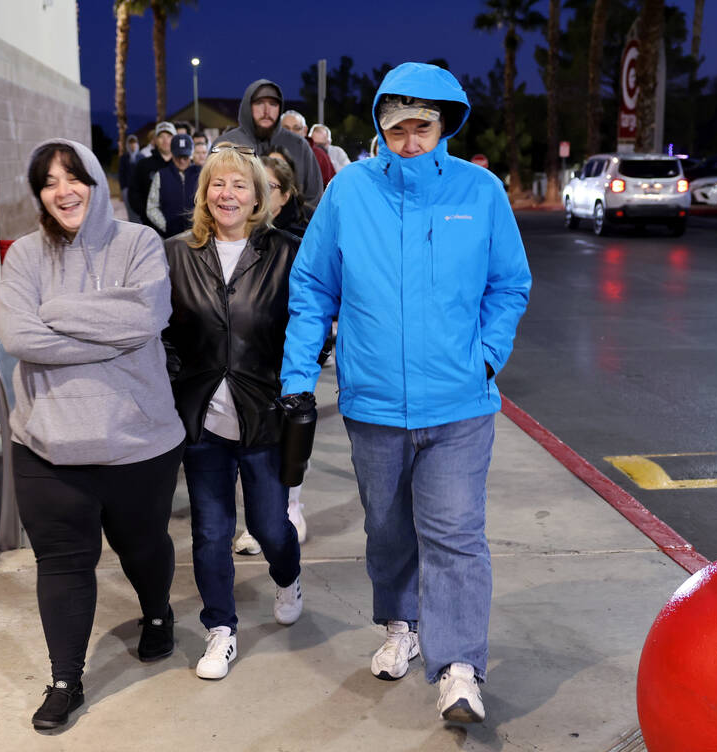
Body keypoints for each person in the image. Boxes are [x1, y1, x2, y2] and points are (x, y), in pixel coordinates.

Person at [279, 62, 531, 724]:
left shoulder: (480, 192)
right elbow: (311, 289)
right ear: (381, 128)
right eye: (396, 127)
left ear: (445, 124)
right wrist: (297, 379)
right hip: (375, 407)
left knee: (454, 534)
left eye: (422, 126)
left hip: (460, 406)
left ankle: (459, 668)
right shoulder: (349, 192)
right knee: (390, 534)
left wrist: (487, 357)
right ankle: (403, 625)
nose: (409, 139)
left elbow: (509, 284)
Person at [0, 139, 186, 730]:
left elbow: (146, 317)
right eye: (49, 181)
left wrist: (54, 312)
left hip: (137, 441)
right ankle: (65, 679)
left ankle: (157, 614)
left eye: (73, 176)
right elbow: (20, 339)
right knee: (62, 563)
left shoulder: (139, 243)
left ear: (96, 182)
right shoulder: (25, 256)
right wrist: (104, 330)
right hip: (46, 446)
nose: (63, 190)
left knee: (143, 545)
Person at [161, 143, 304, 681]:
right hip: (202, 420)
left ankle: (288, 578)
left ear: (258, 198)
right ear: (204, 195)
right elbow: (162, 331)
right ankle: (221, 628)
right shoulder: (176, 253)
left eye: (240, 186)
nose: (228, 194)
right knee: (210, 532)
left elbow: (306, 327)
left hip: (263, 417)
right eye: (218, 184)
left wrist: (296, 385)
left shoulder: (285, 253)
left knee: (271, 528)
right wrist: (178, 380)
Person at [231, 154, 311, 559]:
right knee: (249, 445)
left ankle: (291, 509)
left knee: (288, 443)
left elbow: (311, 305)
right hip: (248, 365)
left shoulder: (295, 242)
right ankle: (255, 521)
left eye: (270, 186)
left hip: (285, 361)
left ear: (281, 196)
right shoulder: (232, 237)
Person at [214, 80, 324, 210]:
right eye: (259, 103)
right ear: (248, 107)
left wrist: (299, 224)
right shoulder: (226, 144)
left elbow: (314, 196)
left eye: (273, 104)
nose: (266, 111)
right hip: (237, 226)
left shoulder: (298, 145)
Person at [146, 133, 202, 237]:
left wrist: (202, 226)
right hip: (171, 238)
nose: (181, 161)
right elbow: (151, 207)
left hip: (197, 236)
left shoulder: (202, 174)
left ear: (191, 154)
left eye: (185, 157)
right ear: (172, 153)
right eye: (178, 157)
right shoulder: (161, 176)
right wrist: (166, 226)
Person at [130, 121, 177, 226]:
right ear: (155, 140)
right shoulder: (143, 165)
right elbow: (134, 194)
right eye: (161, 136)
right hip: (150, 226)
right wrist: (145, 214)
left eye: (169, 136)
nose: (165, 140)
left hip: (178, 228)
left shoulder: (182, 165)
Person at [281, 110, 335, 187]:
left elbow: (333, 187)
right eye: (286, 128)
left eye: (296, 128)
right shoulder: (271, 152)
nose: (291, 133)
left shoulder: (319, 155)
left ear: (305, 130)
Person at [118, 134, 142, 220]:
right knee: (130, 210)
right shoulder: (124, 158)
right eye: (131, 143)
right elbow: (121, 173)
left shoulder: (141, 157)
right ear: (128, 145)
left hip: (139, 190)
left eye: (134, 143)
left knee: (139, 211)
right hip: (127, 189)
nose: (133, 145)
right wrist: (123, 188)